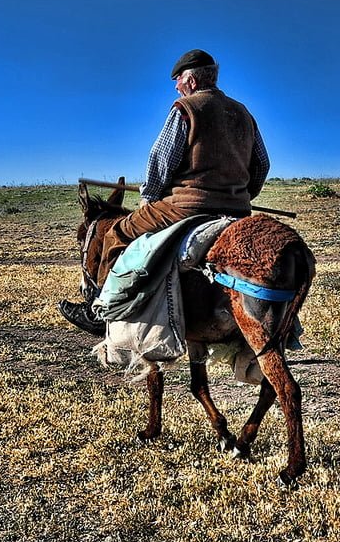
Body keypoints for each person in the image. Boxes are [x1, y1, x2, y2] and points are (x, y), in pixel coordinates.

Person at [59, 49, 271, 334]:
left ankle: (101, 312)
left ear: (191, 81)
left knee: (115, 234)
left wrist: (149, 199)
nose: (176, 87)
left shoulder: (185, 109)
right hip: (238, 208)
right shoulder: (243, 113)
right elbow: (262, 164)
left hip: (187, 207)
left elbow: (160, 160)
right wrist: (242, 195)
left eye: (178, 81)